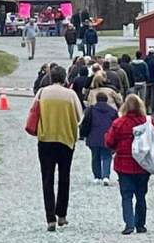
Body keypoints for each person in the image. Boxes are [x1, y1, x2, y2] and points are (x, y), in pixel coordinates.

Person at [33, 65, 83, 231]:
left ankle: (50, 218)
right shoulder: (70, 95)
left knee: (47, 179)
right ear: (64, 78)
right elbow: (79, 116)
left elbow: (34, 112)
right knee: (64, 177)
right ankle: (61, 214)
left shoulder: (41, 93)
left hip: (46, 138)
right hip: (66, 139)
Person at [105, 94, 154, 235]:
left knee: (126, 195)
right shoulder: (148, 122)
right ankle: (140, 224)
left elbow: (109, 142)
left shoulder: (119, 123)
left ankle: (129, 224)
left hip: (123, 164)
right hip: (143, 164)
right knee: (141, 194)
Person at [79, 91, 118, 185]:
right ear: (107, 100)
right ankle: (106, 176)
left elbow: (85, 123)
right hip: (107, 137)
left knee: (95, 156)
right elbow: (116, 125)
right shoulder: (113, 111)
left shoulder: (90, 110)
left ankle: (97, 176)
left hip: (93, 136)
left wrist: (83, 134)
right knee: (107, 156)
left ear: (96, 99)